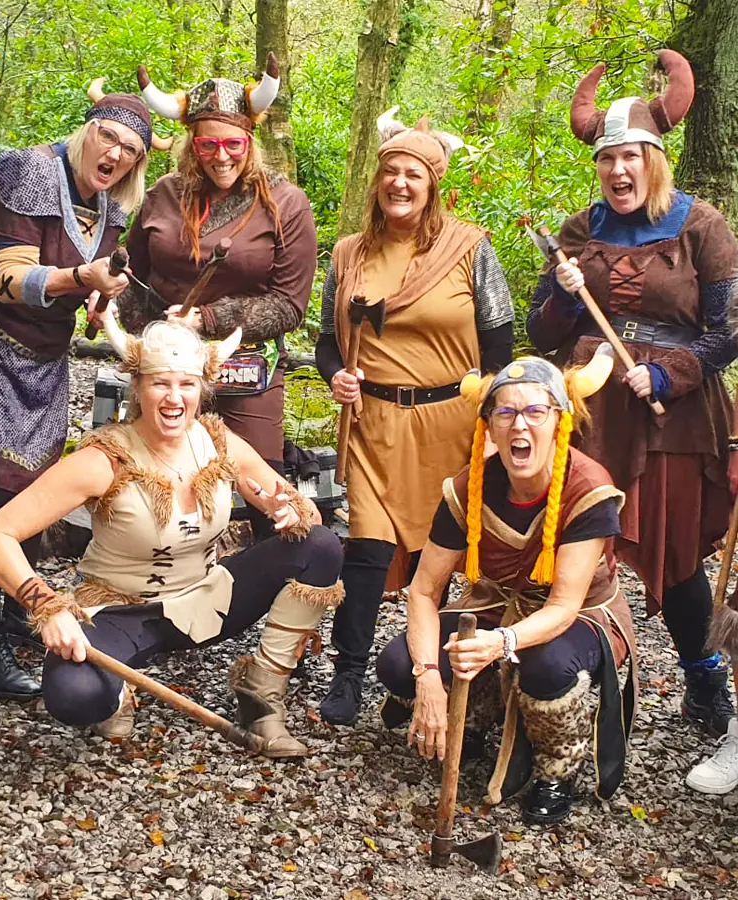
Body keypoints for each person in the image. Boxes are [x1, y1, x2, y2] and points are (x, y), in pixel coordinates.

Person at [0, 313, 344, 757]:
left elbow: (304, 516)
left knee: (321, 547)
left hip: (207, 599)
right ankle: (118, 687)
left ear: (202, 389)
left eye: (186, 385)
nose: (173, 398)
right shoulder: (104, 457)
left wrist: (289, 511)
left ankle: (262, 692)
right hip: (120, 612)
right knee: (74, 696)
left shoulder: (219, 443)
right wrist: (47, 608)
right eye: (159, 384)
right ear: (138, 388)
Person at [526, 50, 738, 744]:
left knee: (675, 554)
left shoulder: (701, 225)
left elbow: (729, 330)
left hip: (671, 413)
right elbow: (543, 329)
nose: (619, 170)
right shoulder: (581, 230)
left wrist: (672, 372)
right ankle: (575, 680)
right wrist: (560, 295)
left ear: (656, 159)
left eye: (633, 156)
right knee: (583, 541)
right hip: (592, 407)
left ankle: (702, 677)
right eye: (608, 158)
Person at [0, 82, 155, 701]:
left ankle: (13, 612)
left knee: (35, 488)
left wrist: (98, 298)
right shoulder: (28, 170)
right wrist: (76, 278)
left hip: (45, 358)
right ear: (86, 131)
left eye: (131, 150)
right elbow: (7, 278)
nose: (114, 153)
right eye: (108, 136)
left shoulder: (113, 207)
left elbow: (93, 277)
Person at [376, 350, 637, 825]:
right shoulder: (466, 488)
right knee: (398, 664)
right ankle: (474, 721)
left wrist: (500, 643)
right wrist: (428, 677)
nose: (521, 425)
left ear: (561, 421)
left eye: (536, 411)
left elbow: (563, 605)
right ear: (489, 427)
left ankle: (558, 769)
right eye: (506, 412)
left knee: (544, 663)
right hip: (495, 604)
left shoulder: (590, 490)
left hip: (581, 618)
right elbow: (422, 591)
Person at [313, 108, 514, 725]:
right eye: (390, 172)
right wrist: (335, 373)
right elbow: (327, 338)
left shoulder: (470, 248)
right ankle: (349, 674)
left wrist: (494, 423)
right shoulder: (349, 254)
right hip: (374, 422)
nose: (399, 183)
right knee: (366, 550)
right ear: (378, 180)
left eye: (414, 175)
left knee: (443, 553)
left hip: (451, 422)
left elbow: (500, 343)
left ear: (432, 186)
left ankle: (417, 677)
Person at [112, 53, 317, 539]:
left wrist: (207, 318)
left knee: (264, 493)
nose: (221, 156)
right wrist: (119, 305)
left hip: (246, 369)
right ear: (192, 144)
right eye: (208, 144)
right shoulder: (163, 195)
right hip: (165, 368)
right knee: (153, 485)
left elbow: (290, 304)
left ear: (250, 141)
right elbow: (133, 279)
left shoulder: (285, 203)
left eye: (232, 143)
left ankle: (266, 593)